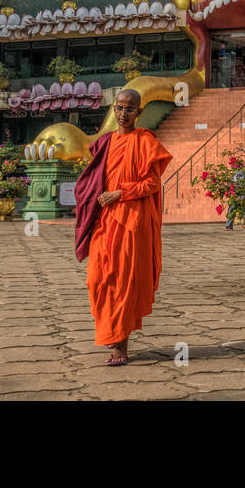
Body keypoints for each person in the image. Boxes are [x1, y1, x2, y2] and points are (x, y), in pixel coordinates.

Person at [73, 89, 173, 366]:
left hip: (132, 222)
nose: (124, 113)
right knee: (97, 278)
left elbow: (152, 184)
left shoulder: (145, 141)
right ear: (113, 110)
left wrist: (120, 193)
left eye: (130, 109)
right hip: (106, 220)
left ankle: (120, 345)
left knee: (124, 283)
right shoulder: (105, 142)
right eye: (119, 108)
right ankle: (110, 327)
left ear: (138, 112)